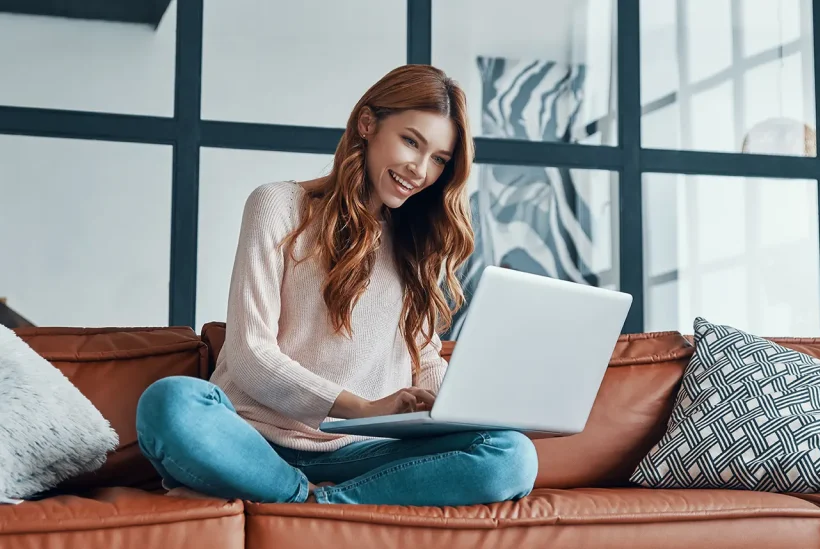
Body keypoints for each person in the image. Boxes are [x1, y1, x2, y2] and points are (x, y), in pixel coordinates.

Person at [135, 65, 538, 506]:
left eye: (439, 159)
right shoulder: (278, 204)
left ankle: (320, 504)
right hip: (254, 440)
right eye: (411, 141)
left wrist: (449, 406)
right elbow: (251, 356)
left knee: (511, 454)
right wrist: (362, 408)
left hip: (361, 451)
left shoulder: (416, 241)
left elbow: (422, 355)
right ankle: (294, 491)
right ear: (367, 124)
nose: (420, 170)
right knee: (170, 403)